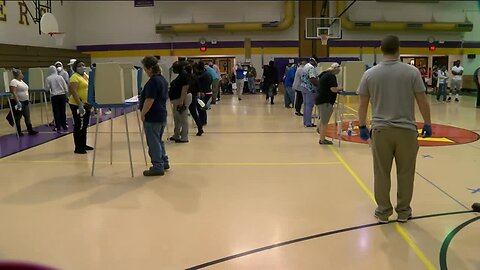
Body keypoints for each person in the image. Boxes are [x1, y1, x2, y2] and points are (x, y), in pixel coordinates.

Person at [357, 35, 432, 224]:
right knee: (406, 173)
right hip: (407, 131)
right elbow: (422, 101)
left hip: (381, 131)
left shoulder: (370, 74)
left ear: (381, 50)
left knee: (381, 172)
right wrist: (428, 123)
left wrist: (362, 126)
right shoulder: (412, 72)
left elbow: (362, 104)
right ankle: (404, 212)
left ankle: (383, 212)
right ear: (399, 48)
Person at [139, 56, 169, 176]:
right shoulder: (162, 79)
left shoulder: (152, 81)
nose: (145, 72)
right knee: (158, 140)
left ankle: (157, 166)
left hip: (153, 116)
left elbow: (149, 100)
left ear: (150, 68)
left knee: (153, 142)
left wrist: (143, 113)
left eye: (145, 69)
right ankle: (164, 161)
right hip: (161, 114)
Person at [68, 60, 93, 154]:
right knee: (79, 125)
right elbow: (73, 91)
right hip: (77, 104)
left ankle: (84, 144)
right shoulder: (74, 77)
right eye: (80, 65)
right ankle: (78, 147)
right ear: (75, 67)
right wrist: (79, 104)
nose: (82, 67)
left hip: (86, 104)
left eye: (83, 65)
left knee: (85, 125)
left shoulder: (85, 76)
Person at [315, 63, 343, 145]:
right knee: (324, 121)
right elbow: (333, 89)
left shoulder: (325, 74)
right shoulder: (331, 76)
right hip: (325, 101)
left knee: (322, 119)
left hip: (320, 100)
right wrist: (341, 88)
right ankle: (322, 139)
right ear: (336, 69)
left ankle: (319, 129)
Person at [6, 69, 38, 136]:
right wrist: (17, 101)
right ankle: (19, 131)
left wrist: (28, 99)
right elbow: (14, 92)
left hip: (25, 101)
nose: (22, 74)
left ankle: (30, 130)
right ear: (18, 74)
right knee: (18, 117)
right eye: (21, 73)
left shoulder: (22, 81)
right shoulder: (14, 82)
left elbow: (26, 91)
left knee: (27, 116)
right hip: (19, 102)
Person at [168, 60, 192, 143]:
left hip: (181, 99)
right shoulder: (181, 75)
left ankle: (184, 137)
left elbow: (184, 88)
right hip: (178, 99)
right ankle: (177, 134)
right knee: (177, 118)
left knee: (183, 118)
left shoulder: (183, 75)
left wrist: (181, 101)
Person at [45, 65, 68, 133]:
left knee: (56, 112)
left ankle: (58, 127)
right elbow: (65, 87)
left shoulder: (48, 78)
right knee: (63, 111)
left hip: (54, 96)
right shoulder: (60, 77)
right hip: (62, 95)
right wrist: (66, 96)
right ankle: (64, 126)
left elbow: (47, 88)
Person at [186, 64, 204, 136]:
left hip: (187, 96)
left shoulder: (185, 78)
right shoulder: (195, 77)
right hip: (194, 96)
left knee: (182, 114)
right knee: (194, 113)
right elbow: (198, 87)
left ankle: (181, 131)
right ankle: (200, 128)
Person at [301, 57, 319, 127]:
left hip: (304, 87)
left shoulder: (306, 66)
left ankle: (306, 122)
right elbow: (312, 79)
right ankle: (308, 123)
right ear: (314, 62)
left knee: (305, 105)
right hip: (310, 89)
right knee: (309, 106)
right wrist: (319, 85)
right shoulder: (311, 68)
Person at [196, 61, 212, 126]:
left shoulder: (201, 75)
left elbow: (201, 84)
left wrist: (201, 92)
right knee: (203, 106)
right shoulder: (207, 73)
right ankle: (204, 120)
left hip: (204, 93)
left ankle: (201, 121)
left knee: (200, 107)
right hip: (208, 91)